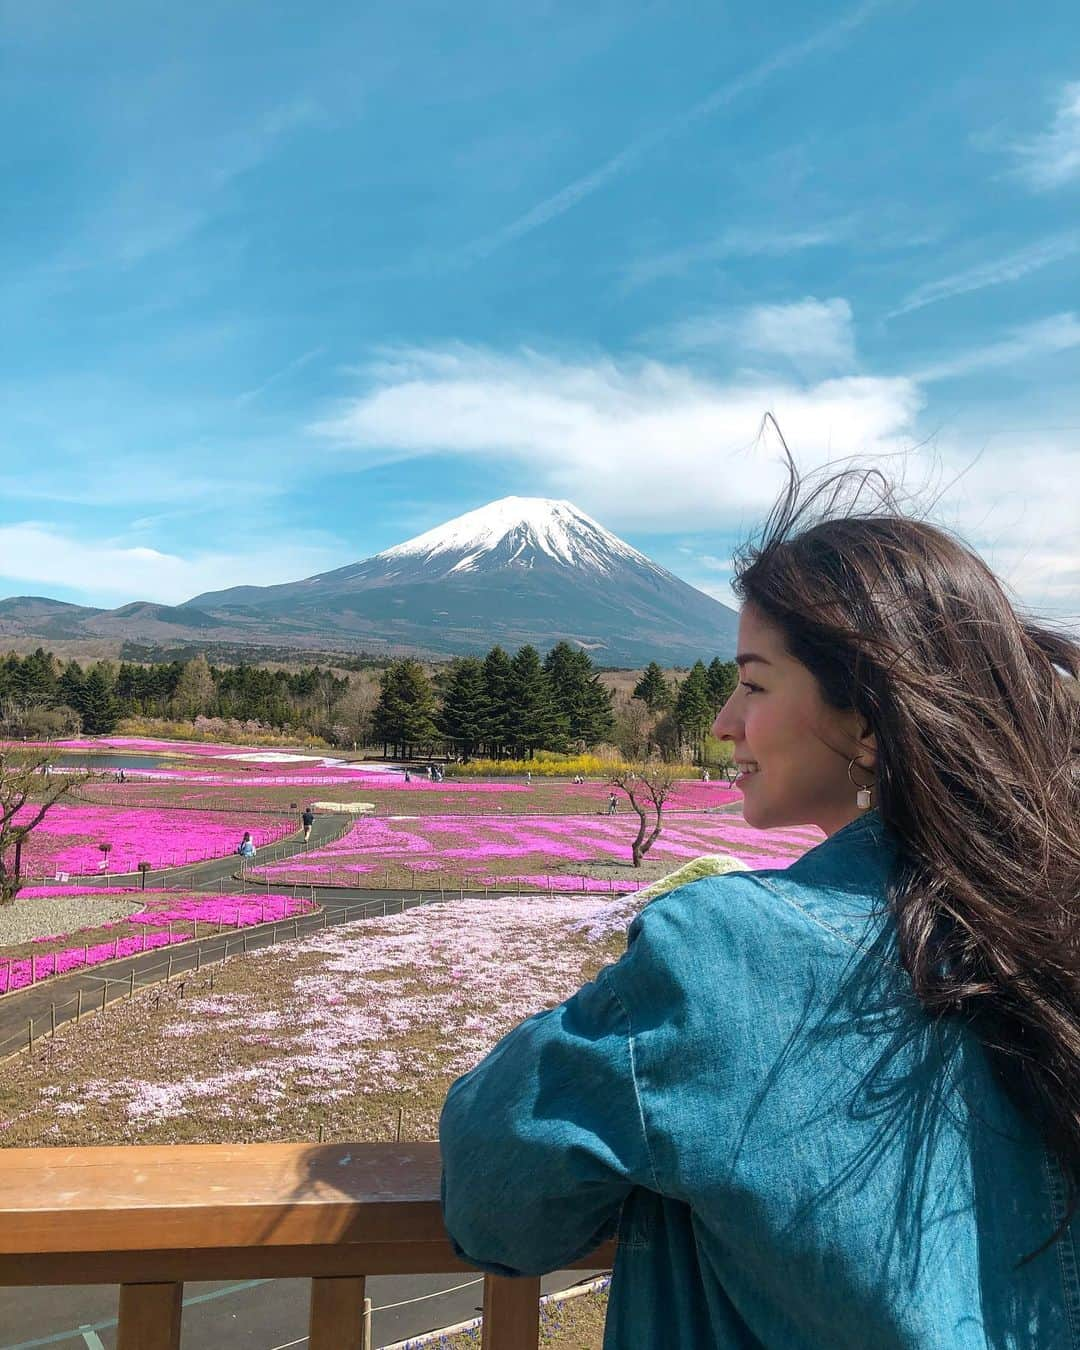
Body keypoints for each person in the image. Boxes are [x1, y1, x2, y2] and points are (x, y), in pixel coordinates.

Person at [439, 444, 1080, 1347]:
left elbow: (494, 1203)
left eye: (752, 682)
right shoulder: (1045, 928)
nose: (723, 721)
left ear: (865, 717)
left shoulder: (725, 954)